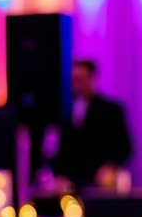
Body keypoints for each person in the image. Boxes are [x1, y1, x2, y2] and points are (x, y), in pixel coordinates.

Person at [46, 59, 133, 191]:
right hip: (71, 181)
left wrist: (110, 166)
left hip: (100, 179)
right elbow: (58, 149)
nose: (76, 85)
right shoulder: (65, 112)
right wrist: (58, 174)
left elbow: (124, 147)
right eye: (74, 80)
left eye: (80, 79)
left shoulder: (111, 110)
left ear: (93, 79)